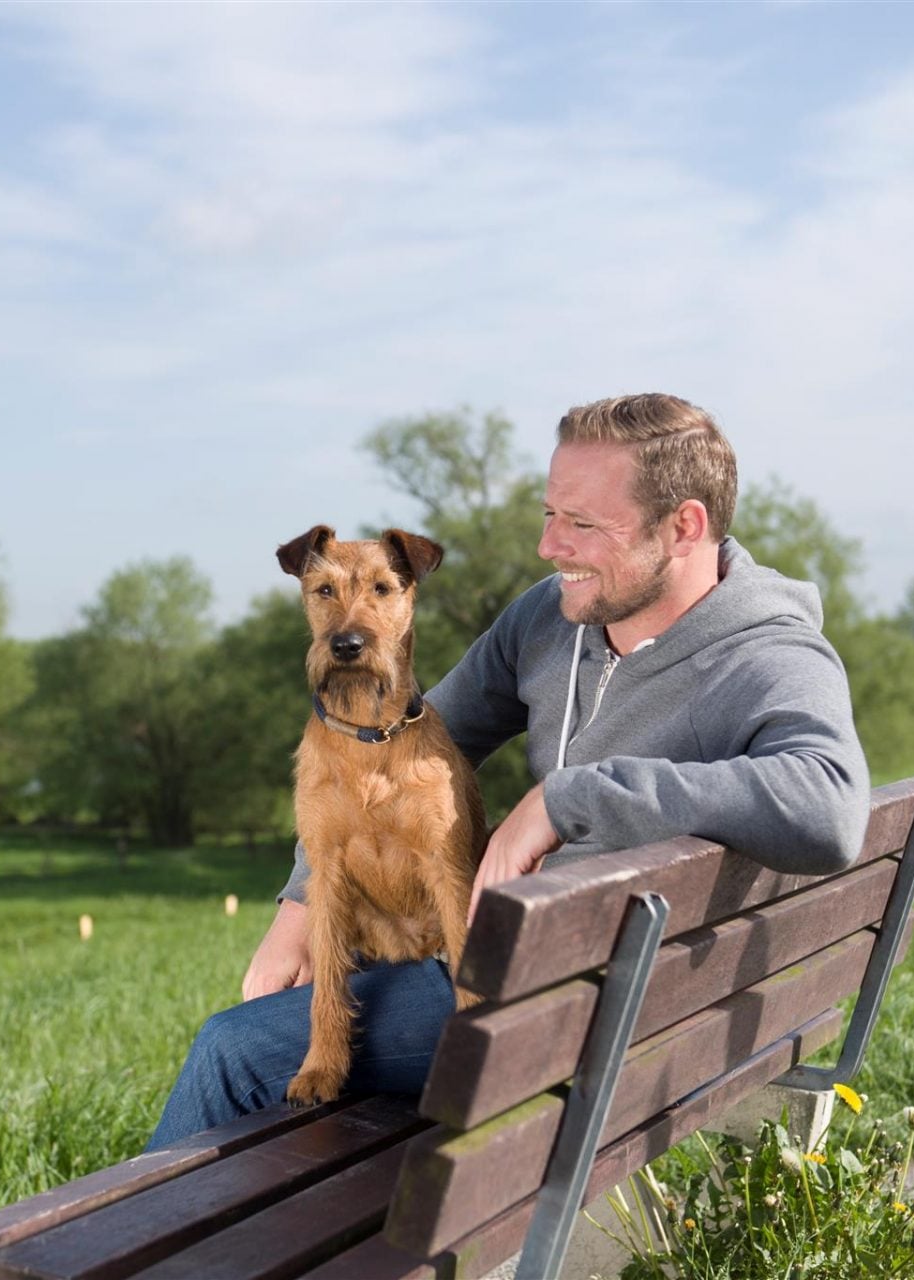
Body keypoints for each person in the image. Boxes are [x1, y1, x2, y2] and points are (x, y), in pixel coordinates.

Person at [146, 393, 869, 1148]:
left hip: (596, 997)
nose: (549, 546)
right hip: (529, 963)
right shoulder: (552, 619)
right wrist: (301, 905)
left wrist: (570, 798)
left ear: (682, 526)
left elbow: (830, 808)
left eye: (582, 523)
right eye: (550, 513)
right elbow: (403, 738)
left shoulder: (768, 653)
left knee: (234, 1054)